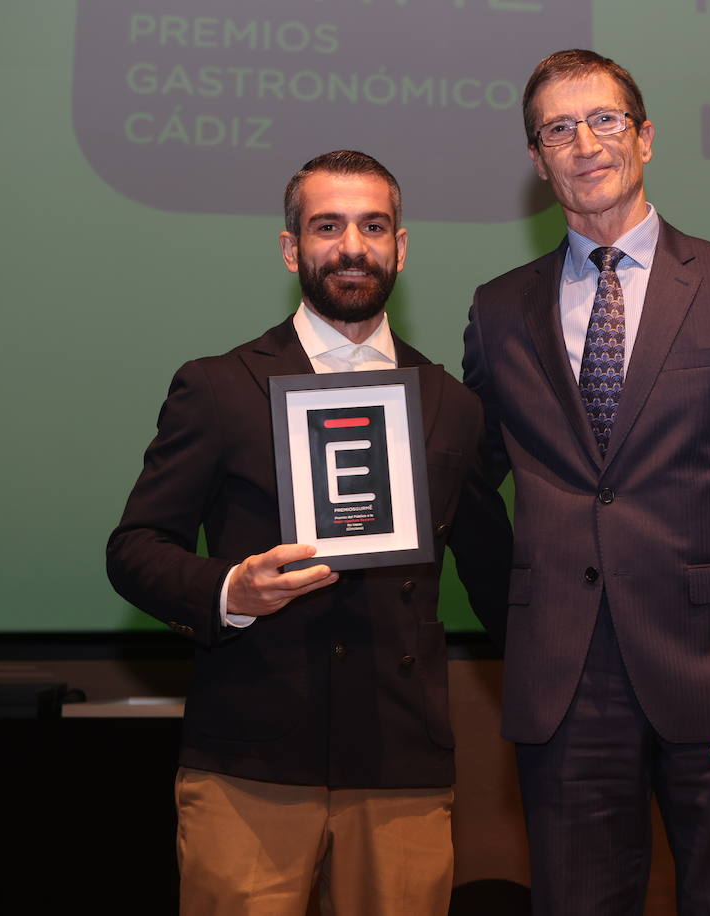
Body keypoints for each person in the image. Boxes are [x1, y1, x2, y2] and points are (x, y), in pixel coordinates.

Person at [462, 50, 710, 915]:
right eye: (559, 128)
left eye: (605, 120)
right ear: (537, 158)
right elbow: (469, 484)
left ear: (645, 137)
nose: (584, 143)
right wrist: (514, 612)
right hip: (563, 683)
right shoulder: (497, 308)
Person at [107, 150, 510, 916]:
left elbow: (500, 579)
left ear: (401, 247)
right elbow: (135, 550)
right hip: (247, 765)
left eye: (373, 226)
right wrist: (231, 589)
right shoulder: (219, 387)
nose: (351, 247)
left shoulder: (452, 406)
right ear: (292, 248)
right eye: (328, 227)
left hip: (403, 768)